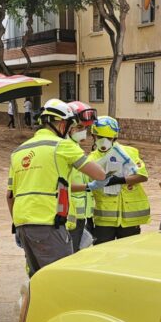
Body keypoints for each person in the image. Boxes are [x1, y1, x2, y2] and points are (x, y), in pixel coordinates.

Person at [7, 99, 106, 275]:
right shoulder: (62, 146)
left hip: (22, 223)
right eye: (70, 126)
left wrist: (18, 225)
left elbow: (9, 195)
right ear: (61, 124)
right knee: (59, 277)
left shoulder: (18, 151)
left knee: (36, 276)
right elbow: (99, 174)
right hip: (48, 223)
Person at [89, 116, 151, 244]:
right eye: (100, 137)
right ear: (93, 136)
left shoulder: (128, 153)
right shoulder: (91, 159)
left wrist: (120, 180)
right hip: (104, 219)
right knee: (103, 255)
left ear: (115, 138)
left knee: (128, 256)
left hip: (129, 219)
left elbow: (143, 176)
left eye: (108, 138)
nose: (103, 141)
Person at [65, 101, 98, 251]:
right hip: (68, 215)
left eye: (85, 128)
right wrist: (89, 186)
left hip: (79, 214)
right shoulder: (65, 148)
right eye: (79, 127)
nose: (83, 131)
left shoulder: (74, 146)